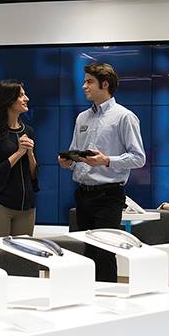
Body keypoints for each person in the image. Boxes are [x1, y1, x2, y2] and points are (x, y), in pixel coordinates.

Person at [59, 62, 146, 281]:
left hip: (109, 196)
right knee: (88, 254)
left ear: (105, 84)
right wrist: (69, 161)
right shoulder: (82, 117)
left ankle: (109, 298)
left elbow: (138, 158)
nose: (84, 86)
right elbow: (75, 153)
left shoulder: (124, 116)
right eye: (84, 81)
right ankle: (89, 297)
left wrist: (106, 160)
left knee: (105, 253)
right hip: (83, 194)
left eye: (89, 82)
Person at [0, 80, 39, 237]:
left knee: (24, 253)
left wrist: (30, 154)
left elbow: (34, 176)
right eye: (21, 95)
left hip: (27, 207)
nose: (26, 98)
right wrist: (19, 153)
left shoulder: (29, 131)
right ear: (8, 100)